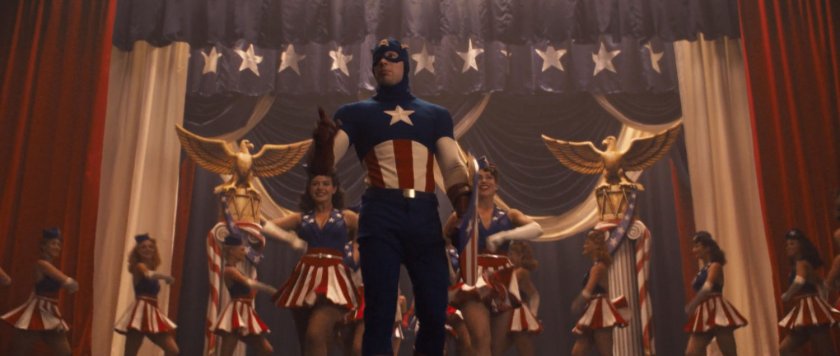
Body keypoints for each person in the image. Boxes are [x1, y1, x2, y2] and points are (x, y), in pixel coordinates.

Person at [314, 37, 471, 356]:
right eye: (377, 61)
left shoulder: (435, 115)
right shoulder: (355, 113)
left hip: (424, 214)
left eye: (390, 57)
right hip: (380, 213)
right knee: (380, 311)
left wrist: (463, 205)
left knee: (433, 308)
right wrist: (321, 146)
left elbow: (452, 163)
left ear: (404, 64)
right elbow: (326, 163)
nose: (383, 63)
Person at [444, 161, 543, 356]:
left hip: (502, 279)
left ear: (496, 184)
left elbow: (537, 229)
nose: (484, 181)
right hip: (473, 277)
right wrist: (453, 268)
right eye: (479, 177)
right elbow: (442, 242)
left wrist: (504, 236)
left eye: (489, 177)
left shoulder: (509, 215)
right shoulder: (460, 216)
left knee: (496, 349)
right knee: (481, 341)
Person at [264, 172, 360, 356]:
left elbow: (366, 231)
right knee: (308, 341)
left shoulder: (346, 216)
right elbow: (267, 227)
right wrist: (290, 240)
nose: (320, 188)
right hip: (304, 283)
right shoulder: (301, 218)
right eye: (315, 184)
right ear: (309, 189)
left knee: (315, 334)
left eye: (325, 184)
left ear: (334, 188)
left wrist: (355, 255)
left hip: (335, 284)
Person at [1, 228, 78, 356]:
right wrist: (70, 284)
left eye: (59, 244)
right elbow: (69, 283)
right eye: (53, 243)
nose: (57, 247)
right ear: (44, 246)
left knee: (65, 352)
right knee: (19, 351)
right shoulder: (42, 264)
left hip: (50, 312)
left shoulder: (48, 265)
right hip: (36, 312)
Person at [210, 234, 277, 356]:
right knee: (227, 353)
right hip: (237, 312)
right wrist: (269, 289)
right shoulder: (229, 270)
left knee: (266, 350)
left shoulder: (235, 269)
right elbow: (249, 283)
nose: (244, 252)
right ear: (231, 251)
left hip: (245, 312)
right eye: (241, 249)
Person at [683, 231, 747, 356]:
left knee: (729, 351)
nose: (694, 250)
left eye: (697, 246)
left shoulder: (715, 266)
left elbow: (708, 286)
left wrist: (693, 303)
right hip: (703, 311)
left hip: (717, 310)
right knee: (692, 352)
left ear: (707, 248)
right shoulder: (703, 270)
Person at [114, 233, 179, 355]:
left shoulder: (151, 267)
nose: (147, 249)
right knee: (130, 353)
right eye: (143, 247)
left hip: (153, 312)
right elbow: (148, 274)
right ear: (137, 251)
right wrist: (165, 277)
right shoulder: (139, 266)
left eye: (150, 246)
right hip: (140, 313)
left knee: (173, 350)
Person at [778, 228, 840, 356]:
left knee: (825, 351)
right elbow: (821, 283)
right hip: (804, 310)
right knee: (785, 348)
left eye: (792, 244)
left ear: (801, 246)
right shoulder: (799, 265)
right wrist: (824, 299)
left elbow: (799, 280)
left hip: (811, 310)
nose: (788, 247)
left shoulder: (802, 264)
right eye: (787, 244)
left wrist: (787, 294)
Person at [570, 230, 628, 356]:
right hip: (593, 310)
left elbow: (588, 291)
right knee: (577, 352)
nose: (584, 245)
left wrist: (578, 302)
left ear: (595, 245)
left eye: (587, 242)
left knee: (606, 352)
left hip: (601, 311)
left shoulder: (598, 268)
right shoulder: (596, 266)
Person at [504, 241, 541, 356]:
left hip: (517, 314)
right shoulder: (511, 271)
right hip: (508, 313)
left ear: (521, 256)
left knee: (525, 350)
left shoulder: (521, 272)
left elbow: (534, 295)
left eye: (512, 254)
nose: (509, 257)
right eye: (509, 254)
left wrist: (533, 314)